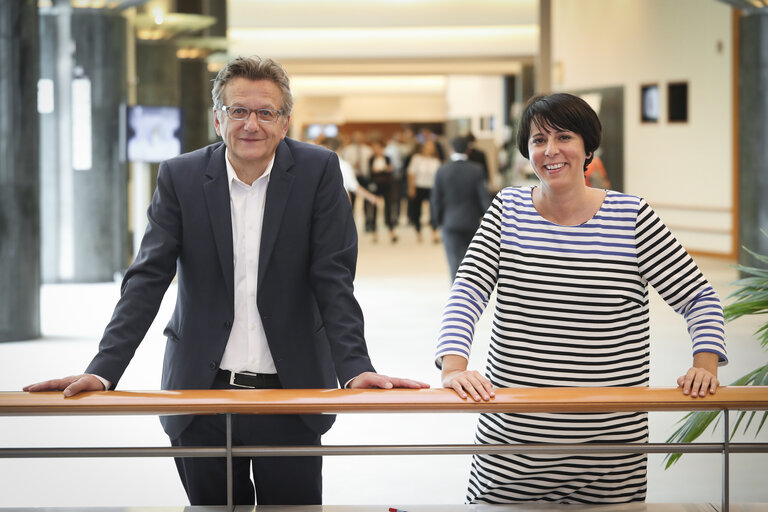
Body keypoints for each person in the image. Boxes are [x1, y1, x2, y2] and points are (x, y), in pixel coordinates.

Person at [24, 56, 428, 506]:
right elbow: (146, 280)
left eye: (265, 112)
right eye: (238, 111)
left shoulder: (318, 172)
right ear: (218, 118)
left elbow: (333, 278)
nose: (251, 124)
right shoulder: (182, 176)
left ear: (285, 120)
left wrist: (355, 369)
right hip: (201, 394)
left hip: (292, 394)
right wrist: (102, 369)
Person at [435, 92, 727, 504]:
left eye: (564, 137)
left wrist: (705, 364)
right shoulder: (507, 210)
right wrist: (453, 367)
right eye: (538, 140)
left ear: (588, 146)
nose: (550, 151)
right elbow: (467, 290)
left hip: (611, 452)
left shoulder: (633, 217)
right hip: (513, 447)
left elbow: (697, 296)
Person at [430, 136, 491, 281]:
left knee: (454, 263)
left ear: (451, 149)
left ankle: (456, 295)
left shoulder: (442, 170)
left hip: (449, 222)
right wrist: (489, 220)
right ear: (468, 150)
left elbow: (436, 200)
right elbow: (483, 197)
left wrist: (436, 221)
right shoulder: (476, 170)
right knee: (471, 262)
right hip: (471, 221)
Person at [406, 139, 441, 243]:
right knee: (417, 210)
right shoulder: (416, 159)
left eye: (431, 148)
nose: (429, 149)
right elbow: (411, 173)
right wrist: (411, 188)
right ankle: (418, 232)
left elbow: (438, 177)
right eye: (427, 147)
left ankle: (434, 232)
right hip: (418, 186)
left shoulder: (436, 161)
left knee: (434, 210)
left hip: (432, 188)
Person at [368, 140, 398, 243]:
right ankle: (374, 232)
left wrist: (381, 170)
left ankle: (391, 230)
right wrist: (384, 170)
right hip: (376, 186)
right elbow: (371, 172)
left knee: (389, 208)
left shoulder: (387, 158)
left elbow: (390, 170)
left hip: (387, 185)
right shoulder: (371, 159)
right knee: (374, 209)